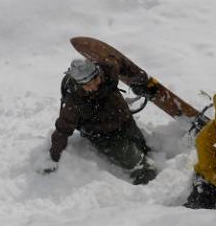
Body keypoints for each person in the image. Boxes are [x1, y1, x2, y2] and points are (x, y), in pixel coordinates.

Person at [45, 56, 157, 185]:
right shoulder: (74, 102)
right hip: (102, 135)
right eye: (87, 85)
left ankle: (145, 158)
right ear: (79, 84)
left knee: (142, 147)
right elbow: (62, 129)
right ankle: (145, 177)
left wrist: (142, 81)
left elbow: (122, 63)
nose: (93, 86)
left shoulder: (108, 70)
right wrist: (54, 157)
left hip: (124, 120)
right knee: (133, 158)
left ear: (98, 73)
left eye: (95, 80)